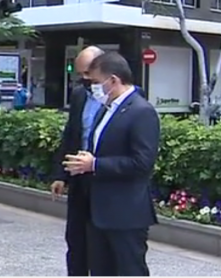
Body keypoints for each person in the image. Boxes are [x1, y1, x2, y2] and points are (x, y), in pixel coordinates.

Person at [63, 52, 160, 276]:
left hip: (125, 212)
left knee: (128, 269)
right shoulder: (107, 110)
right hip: (98, 210)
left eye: (96, 82)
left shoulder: (141, 111)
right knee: (100, 269)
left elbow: (142, 163)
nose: (93, 88)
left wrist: (95, 165)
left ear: (114, 80)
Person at [50, 45, 104, 276]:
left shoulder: (120, 98)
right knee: (75, 241)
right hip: (78, 178)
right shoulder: (79, 95)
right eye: (80, 74)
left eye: (87, 74)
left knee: (101, 246)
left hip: (104, 181)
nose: (84, 79)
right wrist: (60, 174)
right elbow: (71, 134)